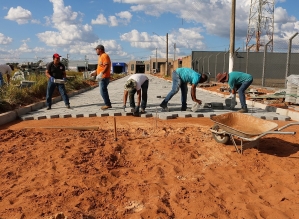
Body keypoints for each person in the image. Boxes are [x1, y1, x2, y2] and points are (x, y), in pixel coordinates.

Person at [90, 45, 112, 110]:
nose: (96, 51)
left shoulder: (104, 56)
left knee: (103, 91)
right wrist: (95, 73)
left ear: (100, 49)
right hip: (101, 77)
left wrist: (101, 73)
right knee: (102, 91)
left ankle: (108, 104)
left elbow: (106, 66)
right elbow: (100, 67)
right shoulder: (100, 57)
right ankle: (107, 103)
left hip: (104, 77)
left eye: (96, 49)